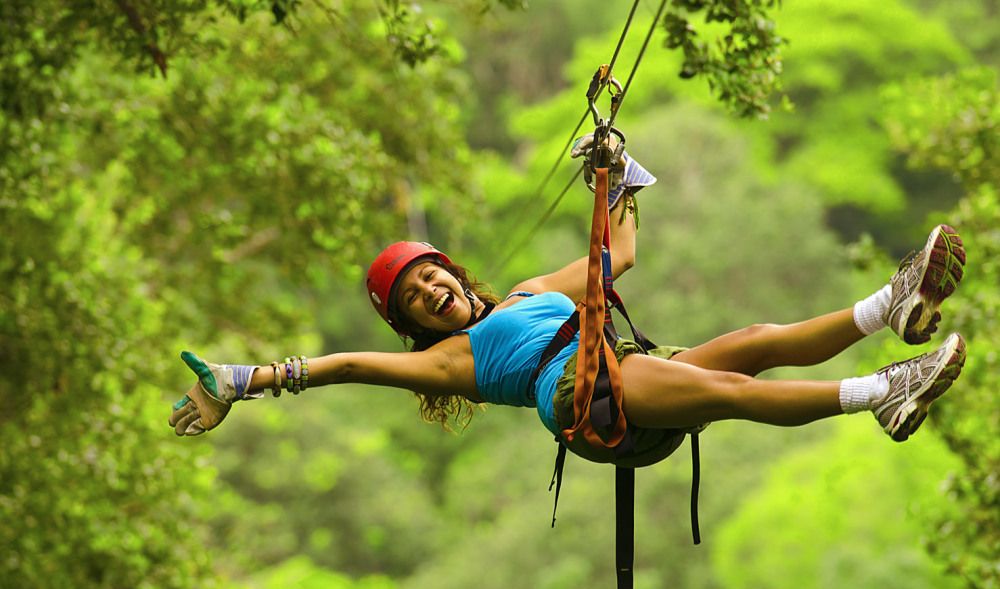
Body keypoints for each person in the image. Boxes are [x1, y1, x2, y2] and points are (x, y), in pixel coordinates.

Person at [169, 140, 967, 461]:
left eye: (434, 275)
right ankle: (881, 394)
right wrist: (243, 379)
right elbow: (341, 366)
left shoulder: (524, 293)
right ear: (411, 324)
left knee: (754, 337)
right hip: (583, 398)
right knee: (731, 391)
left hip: (618, 366)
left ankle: (886, 307)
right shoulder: (446, 364)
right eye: (416, 297)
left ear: (455, 273)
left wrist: (616, 172)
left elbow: (617, 254)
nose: (434, 292)